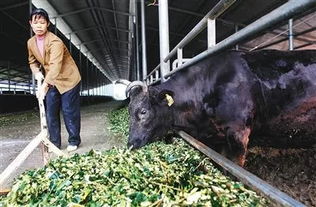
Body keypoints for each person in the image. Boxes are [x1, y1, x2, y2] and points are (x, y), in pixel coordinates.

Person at [27, 8, 81, 152]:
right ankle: (55, 143)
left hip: (68, 79)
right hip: (52, 80)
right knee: (51, 111)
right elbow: (32, 61)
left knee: (69, 110)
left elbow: (55, 66)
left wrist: (44, 87)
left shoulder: (55, 41)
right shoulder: (31, 43)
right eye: (35, 22)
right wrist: (37, 72)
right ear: (30, 24)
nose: (39, 26)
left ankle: (74, 140)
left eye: (42, 23)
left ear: (48, 24)